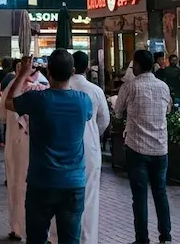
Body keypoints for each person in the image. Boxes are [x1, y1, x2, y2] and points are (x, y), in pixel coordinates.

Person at [5, 51, 93, 244]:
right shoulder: (83, 101)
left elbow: (9, 103)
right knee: (70, 240)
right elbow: (89, 118)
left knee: (36, 238)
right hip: (73, 183)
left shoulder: (39, 99)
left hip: (41, 182)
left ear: (48, 71)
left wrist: (22, 74)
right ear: (72, 72)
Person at [115, 49, 173, 244]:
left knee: (139, 197)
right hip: (160, 148)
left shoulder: (130, 87)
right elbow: (168, 108)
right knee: (160, 193)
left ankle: (142, 239)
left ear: (137, 65)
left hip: (136, 148)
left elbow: (117, 112)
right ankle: (166, 236)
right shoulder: (163, 87)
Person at [0, 64, 48, 240]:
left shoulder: (12, 89)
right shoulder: (46, 89)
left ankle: (18, 228)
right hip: (39, 150)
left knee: (16, 186)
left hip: (17, 148)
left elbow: (2, 115)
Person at [69, 50, 110, 244]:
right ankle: (87, 239)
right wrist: (93, 133)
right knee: (89, 198)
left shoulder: (62, 87)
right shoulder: (95, 90)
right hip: (90, 149)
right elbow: (104, 120)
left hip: (65, 150)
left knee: (64, 198)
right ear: (87, 68)